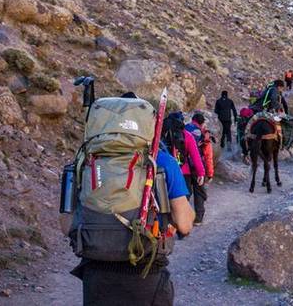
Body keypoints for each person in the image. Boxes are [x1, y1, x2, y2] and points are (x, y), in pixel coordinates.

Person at [70, 96, 195, 306]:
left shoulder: (83, 163)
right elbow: (184, 224)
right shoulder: (162, 161)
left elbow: (66, 224)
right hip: (146, 276)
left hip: (95, 277)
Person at [163, 112, 206, 224]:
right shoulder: (187, 135)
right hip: (183, 172)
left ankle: (167, 223)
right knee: (182, 199)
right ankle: (182, 225)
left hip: (164, 172)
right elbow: (195, 156)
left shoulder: (163, 135)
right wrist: (201, 173)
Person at [185, 112, 214, 223]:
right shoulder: (203, 134)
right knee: (199, 193)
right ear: (202, 123)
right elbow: (208, 156)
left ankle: (183, 217)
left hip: (184, 168)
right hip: (198, 168)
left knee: (186, 193)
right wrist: (210, 173)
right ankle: (198, 218)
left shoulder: (184, 129)